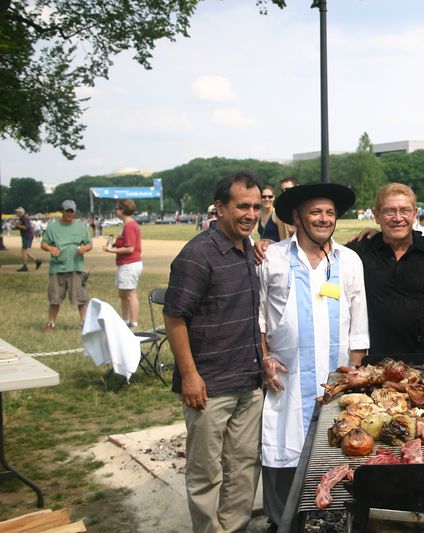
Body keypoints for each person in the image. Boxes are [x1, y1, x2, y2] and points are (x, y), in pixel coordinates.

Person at [258, 182, 369, 528]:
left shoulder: (348, 260)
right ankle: (283, 522)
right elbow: (259, 317)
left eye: (330, 213)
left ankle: (330, 519)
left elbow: (359, 323)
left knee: (334, 458)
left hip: (336, 383)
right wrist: (263, 358)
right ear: (296, 216)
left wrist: (355, 371)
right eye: (315, 212)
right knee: (282, 453)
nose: (324, 219)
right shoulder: (272, 257)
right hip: (287, 379)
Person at [163, 173, 264, 533]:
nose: (250, 213)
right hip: (209, 386)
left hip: (249, 381)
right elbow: (174, 317)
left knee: (243, 465)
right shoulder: (197, 255)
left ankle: (234, 527)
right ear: (220, 208)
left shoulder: (248, 249)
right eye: (242, 206)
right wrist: (190, 375)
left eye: (255, 206)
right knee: (206, 472)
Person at [349, 183, 424, 354]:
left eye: (405, 210)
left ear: (415, 214)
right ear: (376, 215)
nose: (398, 218)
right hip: (377, 362)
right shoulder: (359, 251)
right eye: (389, 211)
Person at [40, 200, 93, 331]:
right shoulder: (53, 227)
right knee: (54, 298)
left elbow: (89, 244)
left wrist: (84, 249)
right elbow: (44, 243)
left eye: (71, 211)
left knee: (81, 298)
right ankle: (51, 323)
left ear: (74, 212)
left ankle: (84, 323)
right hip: (57, 268)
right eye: (67, 211)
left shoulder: (80, 227)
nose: (69, 214)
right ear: (62, 211)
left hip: (76, 267)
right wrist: (51, 249)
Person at [103, 199, 143, 328]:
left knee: (130, 294)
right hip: (125, 264)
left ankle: (133, 322)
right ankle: (125, 320)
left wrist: (111, 250)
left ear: (123, 210)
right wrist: (115, 243)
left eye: (117, 208)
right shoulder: (125, 225)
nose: (115, 211)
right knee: (123, 293)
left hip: (129, 264)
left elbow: (130, 248)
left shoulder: (130, 225)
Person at [14, 207, 42, 271]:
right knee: (25, 251)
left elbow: (26, 227)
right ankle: (37, 261)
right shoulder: (22, 218)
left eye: (17, 212)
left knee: (23, 251)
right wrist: (17, 226)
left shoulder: (24, 218)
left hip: (27, 235)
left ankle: (25, 267)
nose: (16, 213)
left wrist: (17, 225)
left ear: (21, 212)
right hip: (28, 235)